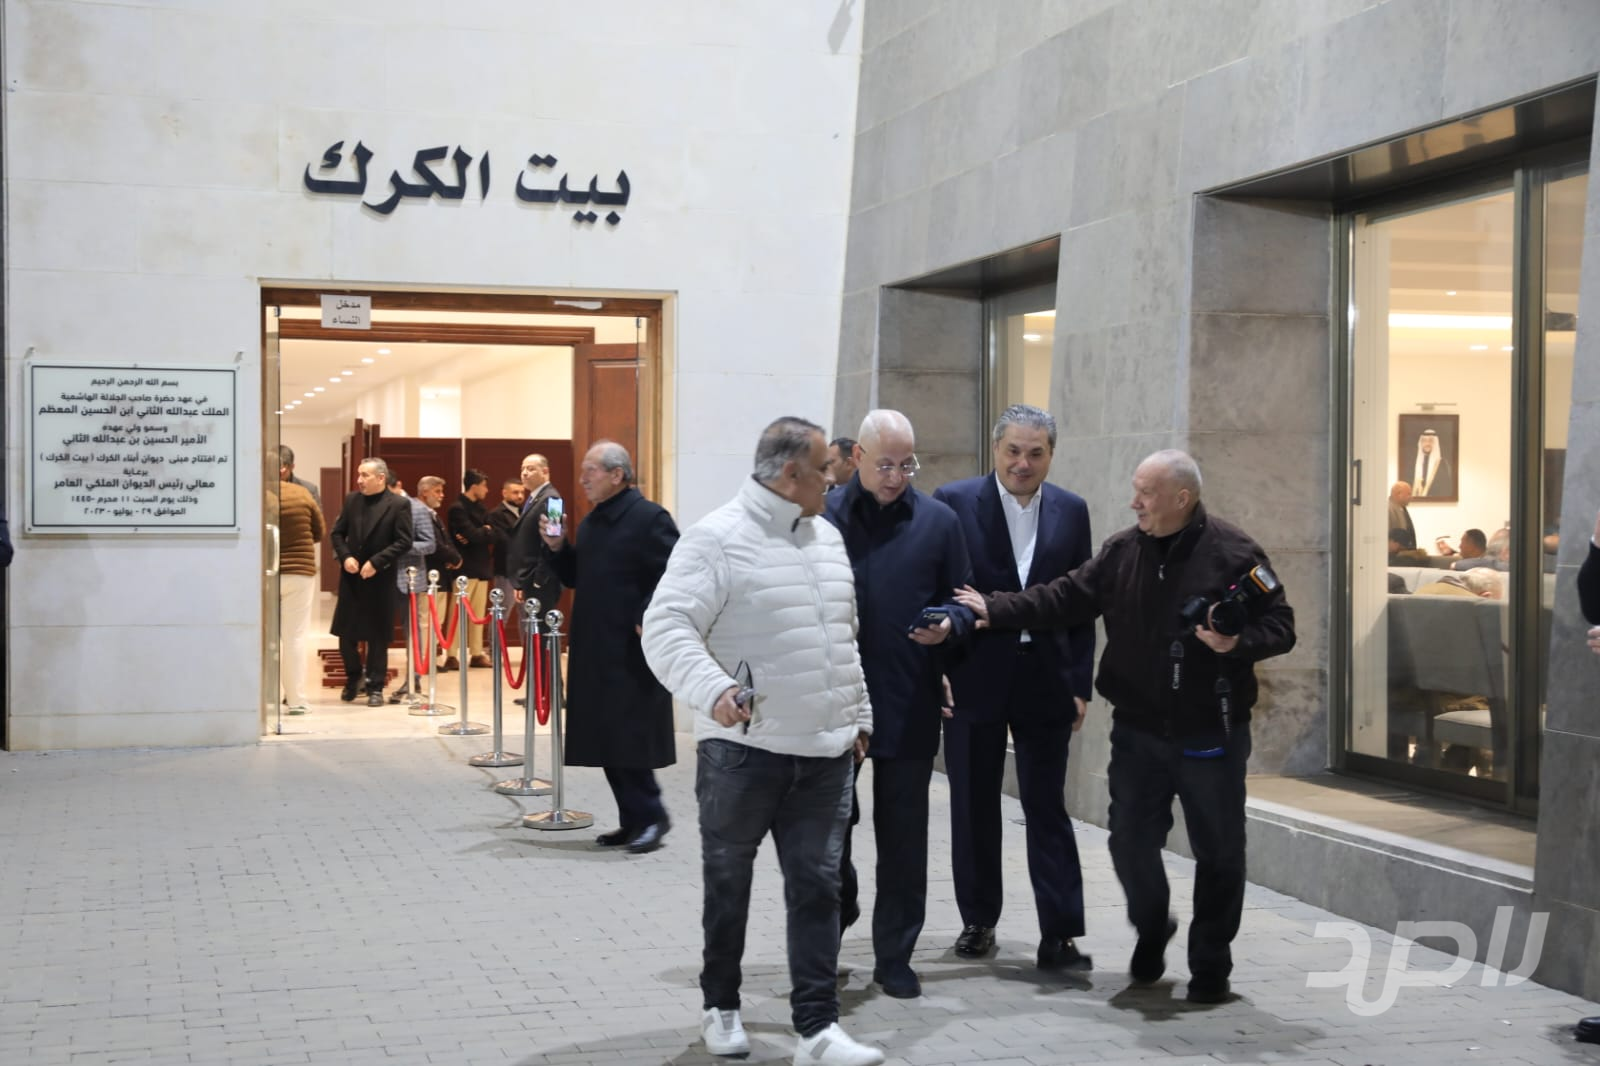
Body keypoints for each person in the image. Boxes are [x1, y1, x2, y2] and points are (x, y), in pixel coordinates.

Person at [954, 449, 1295, 1005]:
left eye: (1146, 493)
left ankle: (1211, 964)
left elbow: (1282, 625)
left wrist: (1236, 642)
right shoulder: (1122, 551)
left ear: (1182, 498)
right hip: (1138, 730)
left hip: (1210, 731)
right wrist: (995, 608)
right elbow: (1064, 597)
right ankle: (1153, 924)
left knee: (1219, 853)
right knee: (1129, 843)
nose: (1134, 502)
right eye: (1135, 490)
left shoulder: (1234, 553)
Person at [642, 416, 884, 1066]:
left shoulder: (828, 538)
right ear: (790, 473)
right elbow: (665, 626)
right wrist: (714, 689)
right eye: (824, 469)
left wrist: (859, 716)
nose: (834, 478)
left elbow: (842, 636)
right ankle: (721, 1006)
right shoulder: (716, 538)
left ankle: (818, 1030)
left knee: (819, 890)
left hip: (826, 754)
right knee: (729, 887)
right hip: (742, 755)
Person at [931, 404, 1096, 970]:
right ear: (996, 449)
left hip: (1047, 678)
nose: (1023, 463)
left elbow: (1081, 604)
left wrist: (1080, 682)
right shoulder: (954, 502)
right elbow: (940, 592)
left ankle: (1060, 931)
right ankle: (978, 920)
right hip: (973, 675)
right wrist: (939, 670)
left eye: (1035, 453)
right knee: (973, 803)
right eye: (1013, 451)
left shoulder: (1072, 511)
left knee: (1046, 805)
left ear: (1051, 455)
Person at [823, 409, 974, 1000]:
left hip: (909, 697)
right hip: (835, 703)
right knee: (828, 830)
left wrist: (951, 623)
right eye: (884, 464)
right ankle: (834, 919)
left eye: (906, 465)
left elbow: (963, 601)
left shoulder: (939, 522)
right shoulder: (821, 518)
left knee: (904, 837)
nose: (895, 477)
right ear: (857, 457)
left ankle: (895, 956)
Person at [541, 442, 679, 854]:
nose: (583, 478)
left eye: (592, 470)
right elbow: (576, 576)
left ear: (618, 475)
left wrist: (646, 612)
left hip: (629, 648)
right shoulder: (593, 521)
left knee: (630, 736)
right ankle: (632, 820)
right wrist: (557, 548)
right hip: (594, 645)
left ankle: (652, 816)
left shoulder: (650, 518)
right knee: (606, 737)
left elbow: (674, 572)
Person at [329, 458, 413, 707]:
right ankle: (354, 677)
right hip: (352, 576)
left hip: (380, 578)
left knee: (377, 636)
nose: (359, 480)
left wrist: (377, 562)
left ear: (381, 478)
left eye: (365, 475)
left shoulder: (399, 504)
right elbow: (337, 533)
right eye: (359, 475)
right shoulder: (352, 500)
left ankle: (376, 686)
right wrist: (345, 556)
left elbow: (404, 541)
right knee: (345, 634)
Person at [385, 474, 437, 703]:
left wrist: (400, 547)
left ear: (397, 486)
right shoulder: (379, 506)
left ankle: (413, 679)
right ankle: (374, 680)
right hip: (381, 577)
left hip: (409, 579)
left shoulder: (417, 509)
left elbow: (429, 544)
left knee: (412, 631)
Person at [277, 477, 325, 713]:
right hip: (299, 571)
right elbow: (319, 531)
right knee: (294, 638)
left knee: (266, 638)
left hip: (264, 572)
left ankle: (265, 698)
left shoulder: (256, 493)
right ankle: (296, 700)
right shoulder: (302, 493)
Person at [447, 469, 495, 668]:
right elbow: (472, 535)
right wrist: (482, 531)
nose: (487, 490)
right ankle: (451, 655)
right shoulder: (457, 508)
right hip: (464, 568)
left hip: (481, 566)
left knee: (478, 615)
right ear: (474, 486)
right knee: (457, 613)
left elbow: (491, 534)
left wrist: (480, 533)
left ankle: (476, 653)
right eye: (484, 485)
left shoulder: (482, 508)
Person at [508, 453, 564, 616]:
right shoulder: (534, 498)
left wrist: (539, 579)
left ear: (545, 471)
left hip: (541, 580)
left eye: (530, 469)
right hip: (528, 578)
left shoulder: (553, 500)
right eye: (522, 469)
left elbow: (552, 541)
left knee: (541, 628)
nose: (524, 473)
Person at [417, 475, 463, 670]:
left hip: (440, 575)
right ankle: (424, 660)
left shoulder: (432, 514)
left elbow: (446, 541)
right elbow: (434, 544)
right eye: (437, 491)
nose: (441, 495)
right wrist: (454, 558)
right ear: (424, 491)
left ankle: (432, 659)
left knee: (437, 620)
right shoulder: (419, 513)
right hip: (427, 574)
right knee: (427, 620)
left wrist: (454, 557)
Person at [488, 478, 525, 608]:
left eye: (522, 492)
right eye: (515, 492)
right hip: (506, 570)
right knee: (503, 610)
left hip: (525, 570)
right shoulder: (496, 514)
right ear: (504, 493)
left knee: (527, 612)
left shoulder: (525, 512)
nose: (520, 496)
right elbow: (504, 541)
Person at [1410, 428, 1454, 498]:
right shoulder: (1414, 463)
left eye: (1430, 441)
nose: (1427, 444)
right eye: (1424, 441)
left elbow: (1445, 490)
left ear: (1435, 443)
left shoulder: (1442, 464)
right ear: (1421, 443)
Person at [1387, 481, 1414, 546]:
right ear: (1398, 494)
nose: (1411, 497)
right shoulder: (1388, 509)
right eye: (1409, 494)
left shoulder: (1401, 509)